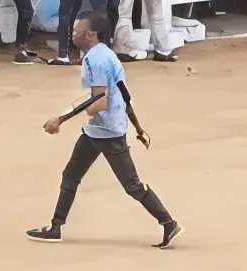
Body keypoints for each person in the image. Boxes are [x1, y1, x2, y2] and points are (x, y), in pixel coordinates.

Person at [31, 38, 176, 246]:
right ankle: (56, 227)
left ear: (90, 33)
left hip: (109, 134)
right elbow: (125, 97)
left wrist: (61, 119)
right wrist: (137, 127)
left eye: (77, 29)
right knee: (70, 175)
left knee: (132, 185)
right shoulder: (110, 58)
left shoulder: (96, 60)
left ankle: (168, 222)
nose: (74, 32)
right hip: (96, 132)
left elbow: (96, 101)